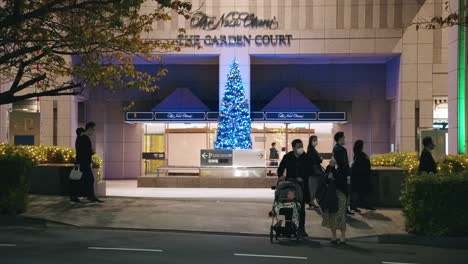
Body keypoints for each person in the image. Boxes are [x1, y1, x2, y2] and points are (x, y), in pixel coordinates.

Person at [277, 139, 310, 237]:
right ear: (293, 147)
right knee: (288, 205)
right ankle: (288, 227)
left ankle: (301, 228)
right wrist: (280, 176)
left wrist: (303, 177)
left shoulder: (305, 157)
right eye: (298, 146)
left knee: (301, 208)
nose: (300, 148)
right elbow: (281, 168)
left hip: (301, 185)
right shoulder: (288, 156)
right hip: (290, 185)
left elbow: (310, 170)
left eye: (301, 146)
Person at [321, 158, 347, 244]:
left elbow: (340, 179)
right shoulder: (329, 167)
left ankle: (343, 236)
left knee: (341, 214)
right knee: (332, 214)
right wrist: (328, 177)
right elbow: (325, 179)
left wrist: (332, 170)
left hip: (341, 193)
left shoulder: (343, 167)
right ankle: (334, 236)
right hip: (331, 193)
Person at [76, 122, 103, 204]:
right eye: (93, 130)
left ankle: (88, 196)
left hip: (82, 162)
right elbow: (83, 151)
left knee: (85, 179)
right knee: (90, 179)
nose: (93, 132)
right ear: (90, 128)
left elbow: (80, 151)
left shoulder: (80, 137)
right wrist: (92, 152)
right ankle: (90, 197)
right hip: (84, 162)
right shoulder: (85, 138)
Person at [332, 132, 354, 216]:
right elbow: (343, 163)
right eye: (344, 137)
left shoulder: (336, 148)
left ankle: (342, 210)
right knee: (344, 192)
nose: (345, 139)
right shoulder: (340, 149)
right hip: (342, 174)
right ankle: (343, 210)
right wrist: (348, 173)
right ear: (340, 139)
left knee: (342, 192)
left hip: (339, 174)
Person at [350, 140, 375, 212]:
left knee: (357, 191)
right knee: (361, 191)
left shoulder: (357, 154)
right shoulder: (360, 155)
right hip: (362, 176)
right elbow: (362, 165)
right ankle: (357, 206)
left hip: (358, 176)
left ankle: (354, 206)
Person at [306, 135, 323, 209]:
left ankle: (312, 201)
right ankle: (311, 201)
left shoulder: (312, 149)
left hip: (313, 171)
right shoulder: (311, 150)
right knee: (314, 187)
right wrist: (320, 159)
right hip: (313, 172)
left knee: (314, 187)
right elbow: (314, 161)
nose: (316, 141)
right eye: (314, 140)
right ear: (310, 141)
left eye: (316, 140)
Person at [70, 127, 85, 204]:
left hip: (78, 162)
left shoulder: (78, 139)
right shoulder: (80, 140)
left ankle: (75, 196)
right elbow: (80, 152)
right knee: (77, 180)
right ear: (81, 133)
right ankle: (74, 197)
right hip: (79, 162)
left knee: (76, 180)